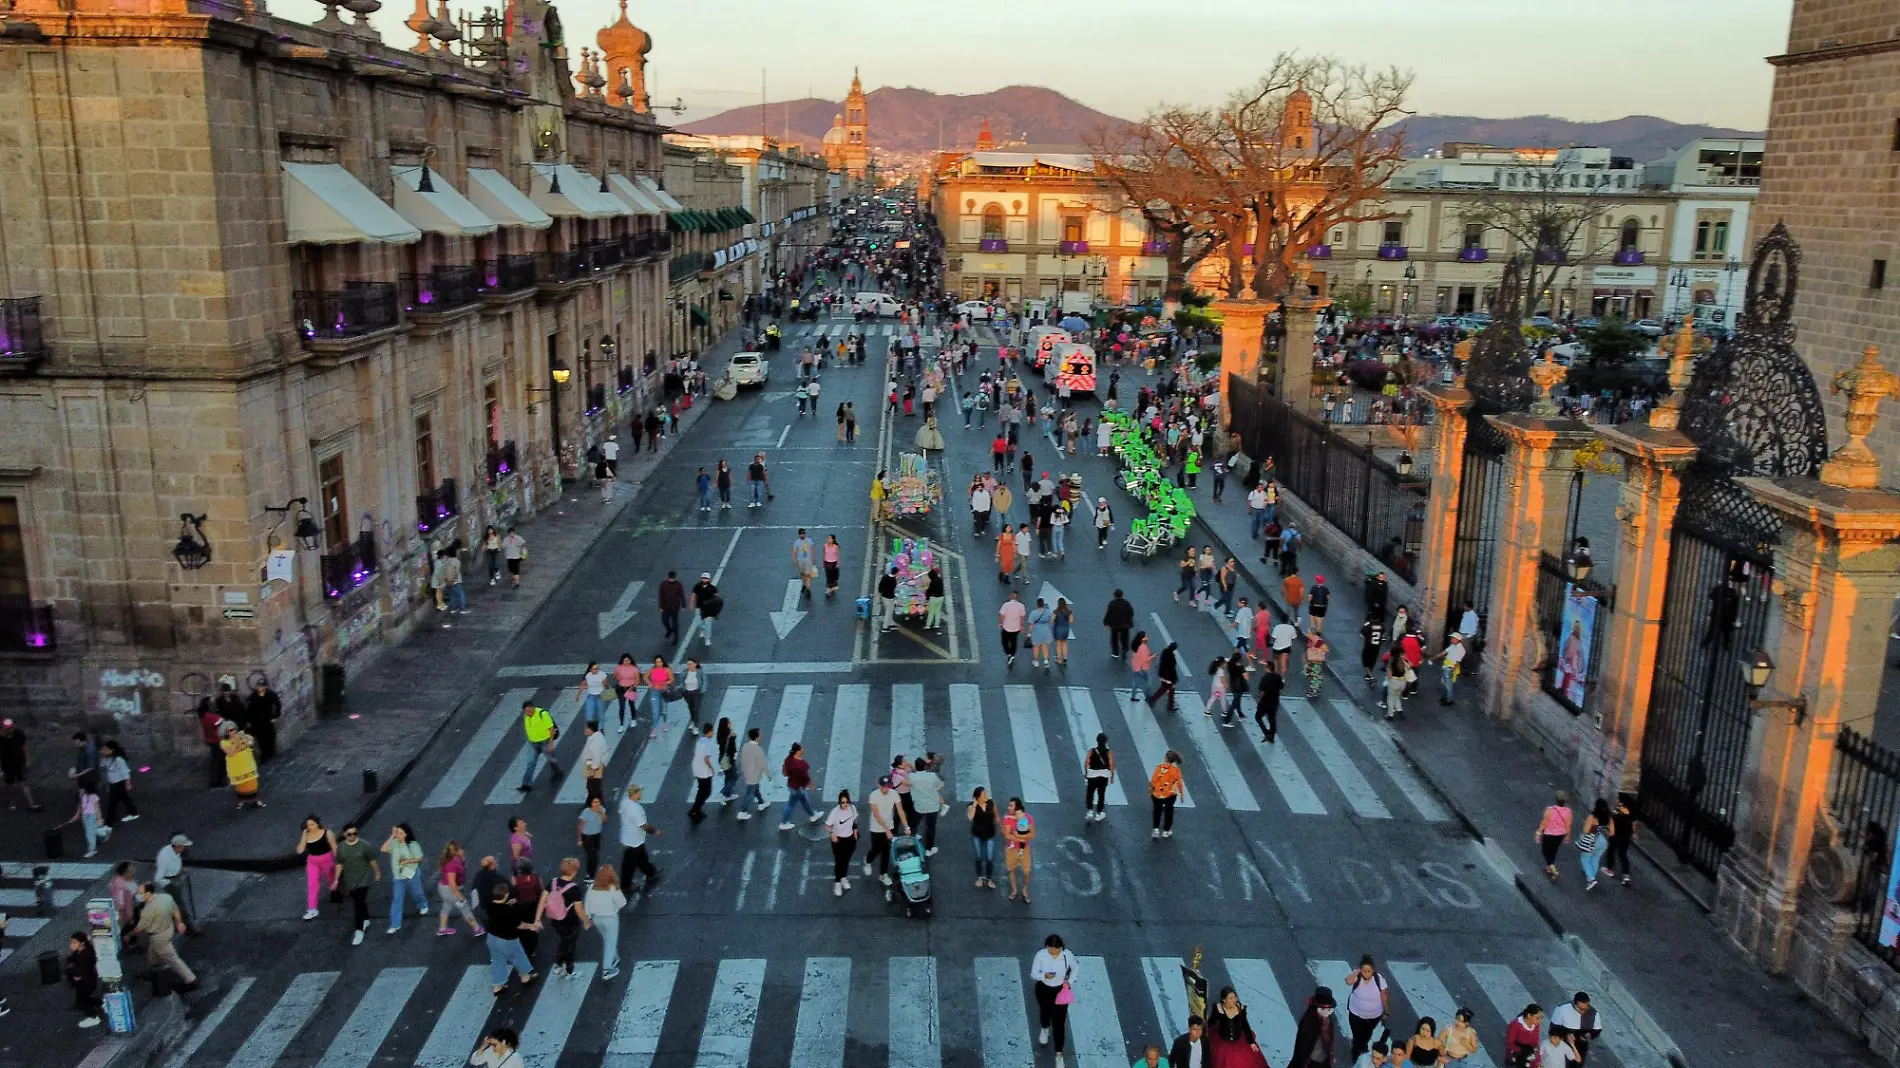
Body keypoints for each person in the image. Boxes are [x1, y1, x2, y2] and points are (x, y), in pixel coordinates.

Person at [533, 857, 589, 979]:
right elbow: (579, 910)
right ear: (573, 872)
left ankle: (558, 965)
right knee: (570, 946)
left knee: (564, 940)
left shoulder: (552, 882)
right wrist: (586, 921)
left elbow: (542, 900)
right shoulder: (574, 888)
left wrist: (537, 920)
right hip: (571, 922)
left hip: (555, 920)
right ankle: (569, 970)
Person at [135, 882, 196, 990]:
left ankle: (191, 980)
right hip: (168, 929)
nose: (138, 896)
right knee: (152, 952)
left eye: (140, 893)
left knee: (172, 958)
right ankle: (151, 970)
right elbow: (175, 910)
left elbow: (140, 927)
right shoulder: (165, 897)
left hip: (158, 936)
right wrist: (179, 923)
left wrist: (129, 935)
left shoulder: (147, 910)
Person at [1030, 934, 1078, 1066]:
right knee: (1045, 1012)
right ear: (1046, 947)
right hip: (1044, 989)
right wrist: (1044, 976)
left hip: (1060, 991)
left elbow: (1075, 968)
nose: (1053, 952)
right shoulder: (1040, 955)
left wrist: (1069, 982)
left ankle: (1059, 1054)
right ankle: (1044, 1029)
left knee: (1059, 1023)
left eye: (1056, 949)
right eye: (1050, 949)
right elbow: (1033, 973)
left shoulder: (1067, 955)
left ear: (1061, 947)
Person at [481, 882, 537, 996]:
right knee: (518, 956)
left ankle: (498, 987)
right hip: (508, 940)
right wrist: (532, 926)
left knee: (497, 961)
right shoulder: (509, 912)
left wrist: (508, 904)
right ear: (506, 895)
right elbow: (520, 925)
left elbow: (498, 910)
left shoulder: (490, 906)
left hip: (492, 938)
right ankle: (525, 978)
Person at [334, 823, 381, 945]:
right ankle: (366, 918)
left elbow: (372, 860)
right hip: (350, 880)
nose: (353, 836)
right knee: (359, 901)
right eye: (350, 834)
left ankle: (359, 931)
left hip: (363, 879)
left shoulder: (365, 845)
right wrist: (336, 880)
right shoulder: (341, 848)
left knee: (357, 903)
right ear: (344, 834)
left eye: (355, 833)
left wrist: (377, 873)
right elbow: (339, 864)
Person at [1207, 985, 1268, 1068]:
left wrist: (1251, 1042)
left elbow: (1245, 1025)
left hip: (1238, 1038)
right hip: (1223, 1039)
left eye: (1235, 997)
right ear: (1224, 1000)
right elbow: (1212, 1022)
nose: (1234, 1000)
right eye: (1231, 998)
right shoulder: (1219, 1009)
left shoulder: (1240, 1009)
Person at [1342, 956, 1390, 1059]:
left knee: (1367, 1033)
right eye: (1364, 970)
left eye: (1369, 971)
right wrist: (1358, 971)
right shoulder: (1357, 976)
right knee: (1357, 1035)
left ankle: (1362, 1047)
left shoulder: (1379, 979)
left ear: (1373, 970)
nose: (1366, 973)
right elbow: (1348, 981)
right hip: (1356, 1014)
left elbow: (1384, 995)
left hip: (1374, 1016)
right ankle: (1356, 1052)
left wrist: (1386, 1012)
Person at [585, 865, 627, 980]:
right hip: (610, 918)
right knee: (610, 942)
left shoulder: (592, 887)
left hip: (596, 918)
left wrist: (588, 917)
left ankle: (614, 957)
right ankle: (607, 969)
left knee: (606, 938)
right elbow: (622, 903)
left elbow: (587, 903)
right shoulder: (613, 888)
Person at [617, 784, 662, 891]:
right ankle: (625, 885)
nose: (641, 794)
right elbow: (643, 825)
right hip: (634, 839)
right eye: (639, 792)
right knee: (629, 864)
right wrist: (654, 831)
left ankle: (651, 872)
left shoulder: (624, 802)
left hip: (629, 837)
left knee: (641, 858)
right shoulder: (636, 808)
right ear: (635, 793)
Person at [435, 841, 484, 937]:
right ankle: (477, 929)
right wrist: (458, 896)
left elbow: (462, 867)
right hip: (450, 890)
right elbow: (452, 883)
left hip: (446, 889)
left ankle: (442, 929)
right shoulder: (451, 865)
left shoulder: (456, 859)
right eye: (459, 848)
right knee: (465, 908)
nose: (462, 850)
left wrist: (462, 857)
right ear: (456, 851)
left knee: (447, 907)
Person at [516, 700, 561, 793]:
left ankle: (557, 771)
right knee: (530, 763)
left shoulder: (542, 714)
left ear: (533, 707)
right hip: (533, 743)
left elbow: (551, 729)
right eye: (525, 711)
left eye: (529, 710)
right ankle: (526, 784)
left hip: (545, 741)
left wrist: (551, 743)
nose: (527, 713)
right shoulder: (526, 716)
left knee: (551, 759)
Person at [0, 718, 43, 812]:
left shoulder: (18, 733)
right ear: (3, 728)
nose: (10, 729)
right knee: (11, 786)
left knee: (25, 783)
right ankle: (12, 803)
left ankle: (31, 804)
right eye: (7, 728)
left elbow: (25, 746)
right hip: (7, 765)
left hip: (20, 763)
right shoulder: (1, 738)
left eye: (11, 727)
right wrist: (0, 769)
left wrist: (27, 759)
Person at [1288, 987, 1338, 1068]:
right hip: (1312, 1062)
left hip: (1323, 1059)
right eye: (1328, 1009)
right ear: (1319, 1009)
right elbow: (1301, 1051)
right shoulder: (1308, 1024)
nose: (1330, 1012)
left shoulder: (1327, 1018)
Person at [1549, 992, 1601, 1065]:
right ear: (1575, 1004)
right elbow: (1553, 1028)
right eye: (1581, 1009)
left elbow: (1597, 1030)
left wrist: (1590, 1035)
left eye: (1585, 1009)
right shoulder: (1562, 1009)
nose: (1583, 1011)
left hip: (1581, 1044)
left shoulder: (1593, 1013)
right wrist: (1566, 1035)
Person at [65, 931, 104, 1028]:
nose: (71, 945)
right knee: (83, 998)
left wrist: (74, 973)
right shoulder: (80, 952)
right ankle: (101, 1003)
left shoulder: (84, 955)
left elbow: (78, 969)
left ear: (81, 943)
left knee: (83, 1000)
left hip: (86, 982)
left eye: (74, 942)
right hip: (85, 980)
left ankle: (93, 1017)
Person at [826, 790, 860, 897]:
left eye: (846, 802)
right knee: (839, 861)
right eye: (842, 802)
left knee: (846, 860)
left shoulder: (852, 808)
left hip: (850, 839)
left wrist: (855, 831)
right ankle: (837, 882)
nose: (845, 805)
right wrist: (832, 833)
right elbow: (827, 826)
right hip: (838, 840)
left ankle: (843, 877)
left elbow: (855, 821)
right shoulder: (835, 812)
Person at [59, 786, 109, 858]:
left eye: (82, 790)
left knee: (89, 834)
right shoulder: (81, 799)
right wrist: (73, 819)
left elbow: (97, 809)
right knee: (93, 831)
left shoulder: (93, 796)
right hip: (86, 817)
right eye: (80, 791)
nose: (80, 792)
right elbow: (79, 811)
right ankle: (105, 831)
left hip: (92, 816)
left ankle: (92, 850)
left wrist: (99, 819)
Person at [779, 743, 820, 829]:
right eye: (801, 748)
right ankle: (783, 823)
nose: (803, 749)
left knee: (804, 800)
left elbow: (784, 773)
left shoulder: (788, 759)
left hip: (791, 785)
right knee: (791, 804)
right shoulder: (802, 764)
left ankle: (812, 815)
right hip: (798, 788)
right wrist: (811, 785)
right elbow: (806, 777)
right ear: (798, 751)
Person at [1003, 797, 1036, 902]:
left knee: (1027, 871)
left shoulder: (1027, 818)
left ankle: (1024, 889)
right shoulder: (1007, 818)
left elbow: (1032, 834)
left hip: (1024, 849)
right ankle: (1014, 890)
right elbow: (1007, 835)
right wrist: (1022, 838)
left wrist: (1018, 837)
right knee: (1011, 869)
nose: (1009, 808)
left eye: (1011, 805)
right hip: (1011, 849)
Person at [909, 757, 945, 854]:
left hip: (920, 805)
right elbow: (941, 784)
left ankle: (912, 837)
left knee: (914, 823)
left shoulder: (911, 777)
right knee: (931, 827)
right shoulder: (932, 776)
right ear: (925, 766)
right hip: (933, 805)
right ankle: (929, 849)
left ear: (916, 767)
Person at [1537, 792, 1573, 881]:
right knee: (1553, 851)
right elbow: (1568, 825)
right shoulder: (1568, 812)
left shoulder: (1549, 810)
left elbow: (1544, 823)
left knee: (1545, 851)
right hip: (1560, 835)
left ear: (1556, 800)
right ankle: (1549, 868)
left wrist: (1538, 833)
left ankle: (1553, 870)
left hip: (1549, 834)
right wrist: (1567, 836)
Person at [1603, 792, 1637, 887]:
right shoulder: (1629, 813)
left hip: (1616, 836)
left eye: (1618, 799)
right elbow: (1632, 825)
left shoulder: (1615, 813)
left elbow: (1611, 825)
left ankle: (1609, 869)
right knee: (1623, 855)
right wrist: (1633, 834)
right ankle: (1626, 876)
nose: (1617, 800)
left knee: (1611, 851)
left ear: (1621, 803)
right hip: (1626, 837)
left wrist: (1609, 833)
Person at [1149, 751, 1184, 840]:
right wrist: (1181, 794)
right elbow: (1179, 783)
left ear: (1165, 758)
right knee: (1169, 811)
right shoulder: (1176, 770)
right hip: (1170, 795)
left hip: (1157, 794)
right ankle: (1166, 831)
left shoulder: (1159, 768)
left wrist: (1151, 789)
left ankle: (1156, 830)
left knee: (1157, 810)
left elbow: (1153, 780)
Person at [968, 786, 998, 889]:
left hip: (989, 835)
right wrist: (975, 805)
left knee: (990, 858)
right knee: (979, 857)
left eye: (986, 793)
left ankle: (989, 879)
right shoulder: (972, 806)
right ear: (978, 797)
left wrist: (1000, 822)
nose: (986, 795)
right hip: (977, 835)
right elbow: (970, 817)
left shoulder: (991, 803)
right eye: (984, 794)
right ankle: (980, 877)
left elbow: (996, 815)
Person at [245, 679, 282, 762]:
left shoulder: (270, 694)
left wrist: (275, 716)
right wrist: (249, 721)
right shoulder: (253, 696)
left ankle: (271, 753)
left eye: (262, 686)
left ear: (265, 687)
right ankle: (264, 755)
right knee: (260, 739)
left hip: (268, 720)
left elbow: (278, 705)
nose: (260, 688)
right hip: (257, 722)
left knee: (270, 738)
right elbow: (249, 709)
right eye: (258, 686)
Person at [1578, 799, 1611, 890]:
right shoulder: (1608, 818)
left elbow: (1585, 830)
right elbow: (1612, 832)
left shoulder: (1592, 817)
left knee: (1585, 858)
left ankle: (1591, 879)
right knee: (1595, 858)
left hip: (1591, 841)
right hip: (1602, 841)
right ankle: (1591, 876)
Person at [737, 727, 770, 820]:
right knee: (750, 793)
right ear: (757, 737)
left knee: (755, 789)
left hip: (748, 773)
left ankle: (761, 803)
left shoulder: (745, 746)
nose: (761, 737)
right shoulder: (758, 749)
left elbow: (742, 760)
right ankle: (743, 811)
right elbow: (763, 763)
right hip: (754, 774)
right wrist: (768, 775)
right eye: (760, 735)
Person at [1082, 733, 1115, 823]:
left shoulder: (1092, 751)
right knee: (1101, 794)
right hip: (1103, 775)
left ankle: (1090, 810)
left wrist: (1086, 772)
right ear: (1106, 742)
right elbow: (1112, 765)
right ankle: (1099, 813)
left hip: (1092, 774)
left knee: (1090, 793)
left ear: (1097, 741)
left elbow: (1086, 763)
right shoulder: (1109, 752)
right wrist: (1112, 777)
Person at [688, 722, 717, 821]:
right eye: (712, 731)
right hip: (703, 770)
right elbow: (706, 759)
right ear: (709, 732)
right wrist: (712, 768)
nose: (713, 733)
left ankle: (695, 809)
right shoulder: (708, 743)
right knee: (707, 792)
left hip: (696, 767)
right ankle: (695, 810)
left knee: (701, 790)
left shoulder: (700, 740)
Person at [692, 573, 723, 647]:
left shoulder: (712, 588)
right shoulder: (697, 586)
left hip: (709, 609)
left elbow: (717, 598)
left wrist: (716, 609)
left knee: (708, 624)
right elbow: (693, 595)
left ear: (709, 579)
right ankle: (703, 628)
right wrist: (691, 604)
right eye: (703, 578)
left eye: (706, 578)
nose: (704, 579)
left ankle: (707, 639)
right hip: (699, 607)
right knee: (698, 622)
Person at [998, 590, 1028, 666]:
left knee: (1004, 641)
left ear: (1011, 596)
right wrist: (1022, 626)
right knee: (1014, 641)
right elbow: (1023, 617)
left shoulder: (1006, 605)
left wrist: (1000, 623)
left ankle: (1008, 653)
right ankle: (1012, 654)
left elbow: (1002, 615)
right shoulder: (1021, 606)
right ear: (1017, 597)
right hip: (1016, 628)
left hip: (1006, 627)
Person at [1256, 663, 1284, 744]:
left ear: (1267, 668)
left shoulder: (1265, 678)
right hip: (1275, 701)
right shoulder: (1278, 677)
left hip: (1265, 702)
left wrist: (1260, 700)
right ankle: (1271, 736)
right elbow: (1281, 690)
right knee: (1272, 718)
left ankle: (1266, 732)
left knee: (1258, 717)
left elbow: (1262, 692)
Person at [1150, 642, 1181, 712]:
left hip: (1163, 674)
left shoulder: (1165, 651)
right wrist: (1174, 679)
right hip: (1169, 677)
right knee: (1164, 690)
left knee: (1168, 690)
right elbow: (1172, 668)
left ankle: (1170, 705)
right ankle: (1153, 700)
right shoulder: (1171, 656)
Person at [1104, 589, 1135, 658]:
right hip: (1125, 625)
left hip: (1115, 625)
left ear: (1114, 595)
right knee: (1125, 637)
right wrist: (1129, 620)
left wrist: (1106, 622)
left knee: (1114, 638)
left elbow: (1109, 614)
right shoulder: (1126, 603)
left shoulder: (1112, 604)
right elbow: (1131, 612)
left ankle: (1115, 652)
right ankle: (1124, 648)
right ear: (1122, 595)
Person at [657, 572, 687, 645]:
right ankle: (669, 630)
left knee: (675, 624)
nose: (671, 579)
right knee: (664, 621)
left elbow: (681, 595)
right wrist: (661, 606)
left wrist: (683, 605)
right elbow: (661, 595)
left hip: (675, 608)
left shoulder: (678, 585)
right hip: (666, 607)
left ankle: (676, 638)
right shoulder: (663, 584)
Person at [577, 662, 608, 730]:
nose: (596, 670)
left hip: (600, 696)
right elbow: (582, 685)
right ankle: (589, 729)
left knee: (601, 714)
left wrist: (604, 684)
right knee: (589, 714)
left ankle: (601, 729)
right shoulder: (587, 676)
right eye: (594, 669)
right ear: (590, 670)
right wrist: (578, 695)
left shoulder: (602, 674)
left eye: (597, 668)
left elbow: (606, 684)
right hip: (591, 697)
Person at [1028, 597, 1055, 669]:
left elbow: (1031, 624)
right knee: (1045, 646)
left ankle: (1036, 661)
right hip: (1046, 630)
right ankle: (1046, 661)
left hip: (1036, 631)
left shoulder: (1033, 612)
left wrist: (1029, 633)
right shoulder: (1048, 612)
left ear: (1037, 604)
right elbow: (1052, 619)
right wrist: (1048, 623)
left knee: (1036, 647)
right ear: (1043, 604)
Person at [792, 529, 818, 598]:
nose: (802, 535)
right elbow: (794, 551)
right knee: (802, 574)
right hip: (800, 560)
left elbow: (812, 549)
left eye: (803, 534)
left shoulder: (809, 540)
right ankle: (804, 584)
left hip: (808, 560)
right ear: (799, 534)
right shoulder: (796, 542)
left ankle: (808, 589)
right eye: (801, 534)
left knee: (808, 574)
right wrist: (794, 560)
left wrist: (813, 558)